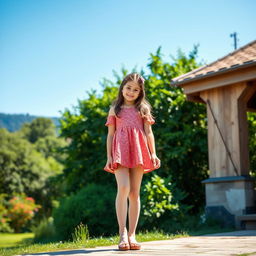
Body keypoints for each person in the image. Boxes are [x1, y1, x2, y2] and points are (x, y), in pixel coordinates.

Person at [104, 72, 161, 251]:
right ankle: (122, 233)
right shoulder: (115, 108)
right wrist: (109, 156)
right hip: (120, 151)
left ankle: (132, 234)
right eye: (128, 88)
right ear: (122, 87)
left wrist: (153, 153)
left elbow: (149, 132)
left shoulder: (143, 109)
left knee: (135, 193)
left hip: (138, 150)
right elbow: (110, 134)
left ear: (140, 92)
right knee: (123, 188)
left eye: (136, 90)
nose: (131, 92)